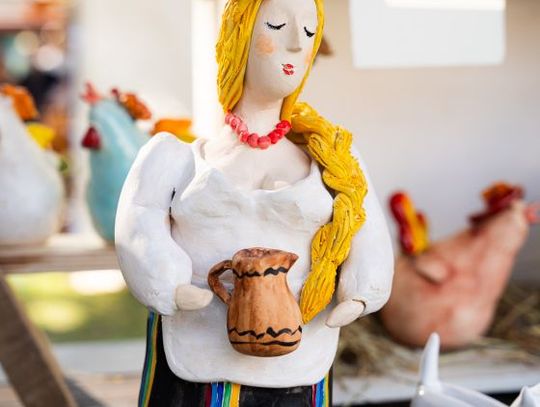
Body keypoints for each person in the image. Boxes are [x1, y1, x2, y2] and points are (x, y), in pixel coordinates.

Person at [115, 0, 394, 405]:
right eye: (277, 26)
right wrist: (168, 284)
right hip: (195, 354)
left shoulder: (335, 165)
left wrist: (361, 290)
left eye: (310, 32)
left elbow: (368, 237)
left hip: (300, 360)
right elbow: (139, 226)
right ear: (238, 34)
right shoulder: (175, 160)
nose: (297, 44)